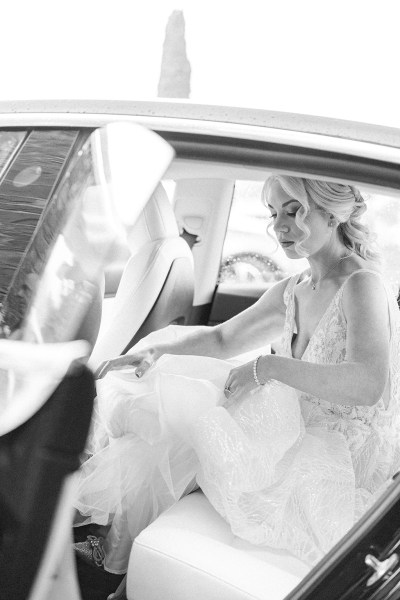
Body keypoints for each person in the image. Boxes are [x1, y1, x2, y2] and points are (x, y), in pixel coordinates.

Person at [74, 175, 400, 585]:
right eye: (273, 212)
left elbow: (367, 385)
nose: (279, 226)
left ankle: (114, 568)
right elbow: (222, 337)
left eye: (294, 210)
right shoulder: (294, 287)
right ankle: (120, 564)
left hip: (340, 459)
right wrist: (154, 352)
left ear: (332, 213)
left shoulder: (361, 284)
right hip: (291, 431)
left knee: (197, 419)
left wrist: (269, 368)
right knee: (173, 393)